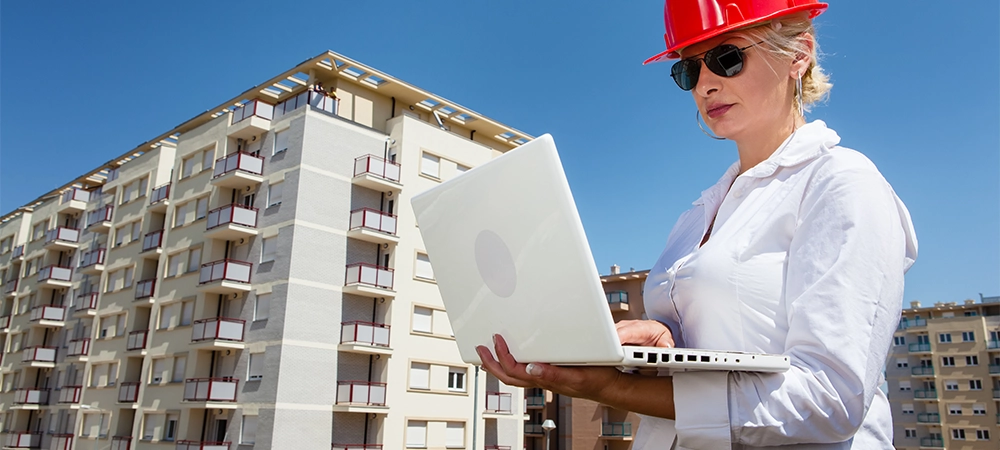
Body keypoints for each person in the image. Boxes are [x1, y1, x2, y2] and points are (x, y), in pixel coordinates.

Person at [477, 0, 918, 448]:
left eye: (727, 57)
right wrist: (661, 344)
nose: (705, 84)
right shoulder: (698, 215)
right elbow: (726, 347)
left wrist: (611, 387)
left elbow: (830, 400)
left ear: (798, 54)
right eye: (689, 70)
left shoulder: (842, 183)